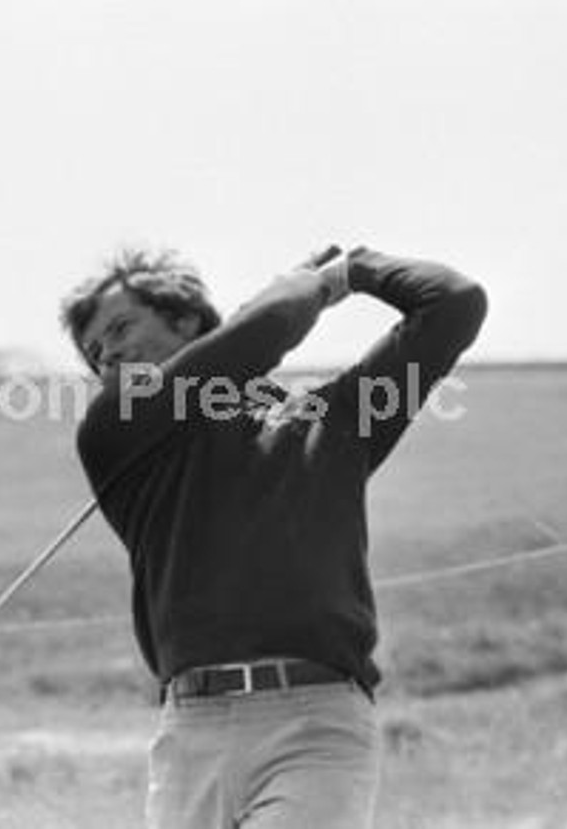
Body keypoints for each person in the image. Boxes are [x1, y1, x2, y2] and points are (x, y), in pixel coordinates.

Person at [60, 244, 487, 828]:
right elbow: (271, 324)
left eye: (121, 326)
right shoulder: (116, 428)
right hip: (191, 734)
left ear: (186, 321)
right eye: (94, 350)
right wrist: (309, 283)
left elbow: (454, 303)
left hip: (317, 726)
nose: (107, 353)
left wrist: (356, 268)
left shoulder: (335, 421)